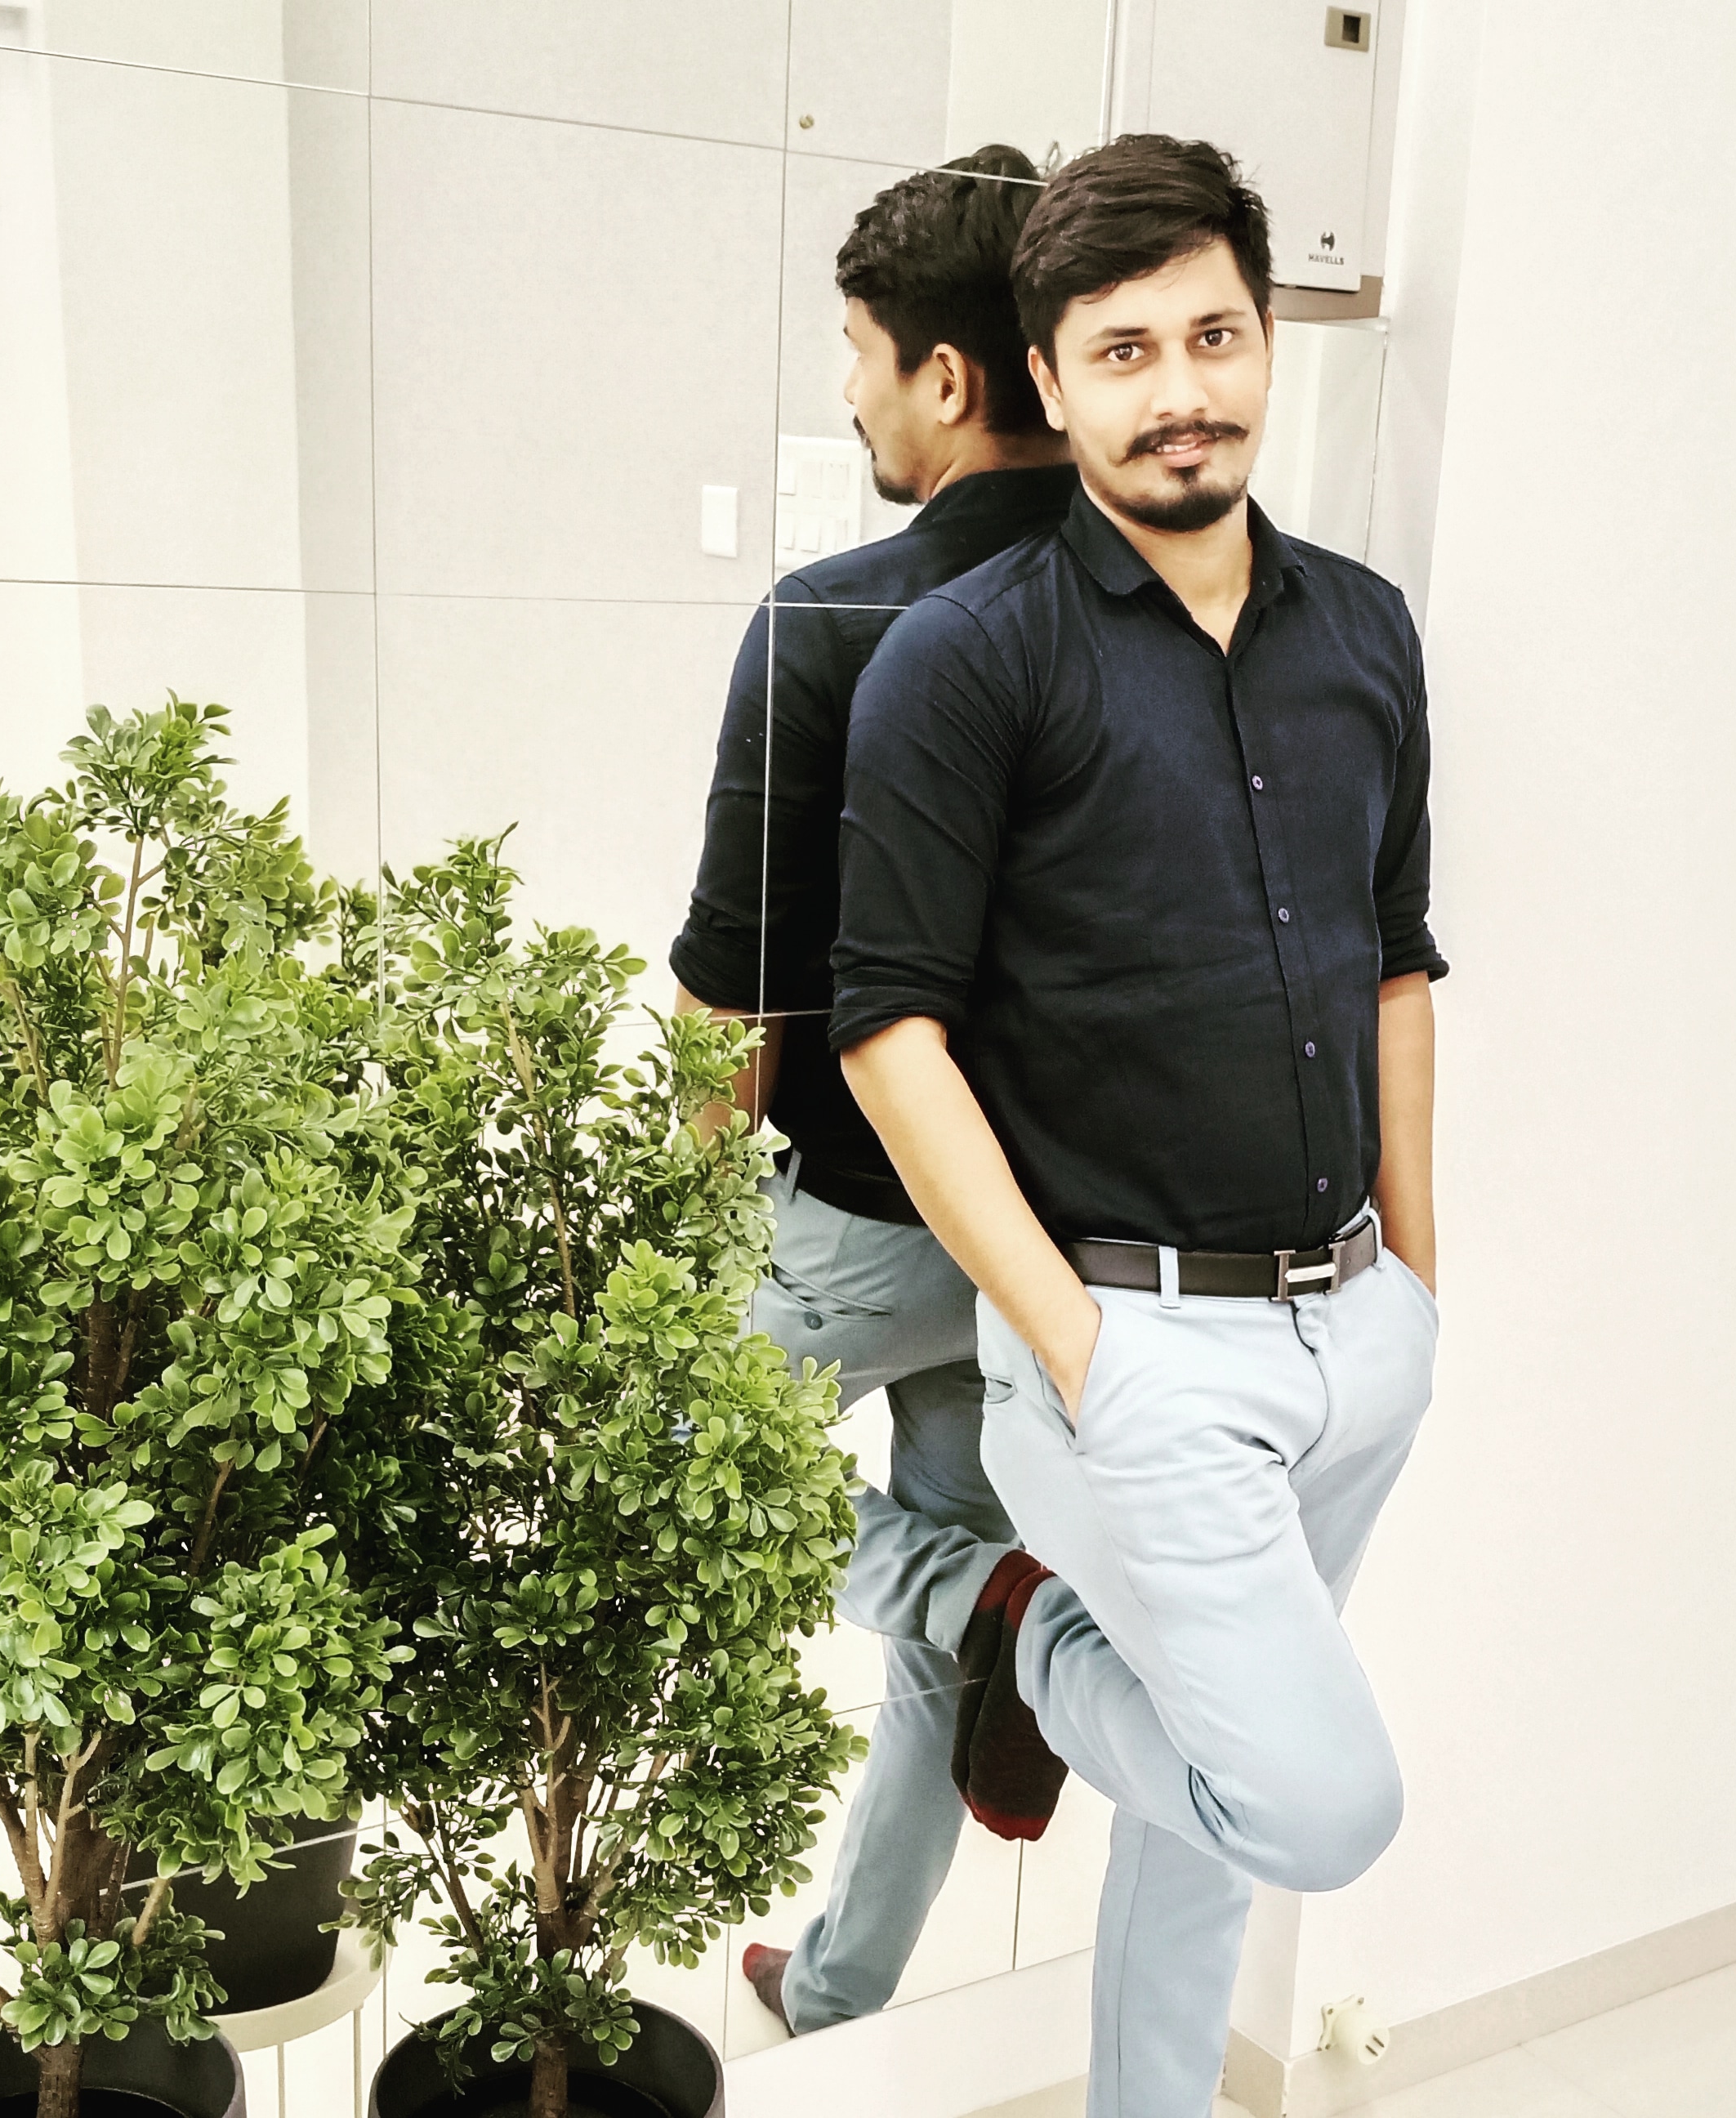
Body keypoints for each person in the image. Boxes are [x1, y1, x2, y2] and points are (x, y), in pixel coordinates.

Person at [831, 135, 1446, 2118]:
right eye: (1124, 352)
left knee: (1211, 1831)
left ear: (1266, 340)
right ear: (1050, 375)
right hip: (1136, 1351)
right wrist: (1079, 1353)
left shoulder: (1366, 633)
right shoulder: (966, 662)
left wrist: (1419, 1285)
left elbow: (1395, 965)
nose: (1182, 390)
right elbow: (889, 1036)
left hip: (1354, 1329)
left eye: (1215, 335)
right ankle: (998, 1622)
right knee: (1317, 1801)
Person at [669, 144, 1078, 2038]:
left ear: (948, 376)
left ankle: (975, 1594)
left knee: (638, 1456)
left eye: (858, 351)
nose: (848, 391)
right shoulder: (1150, 608)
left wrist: (676, 1233)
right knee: (946, 1628)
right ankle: (837, 1991)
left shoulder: (832, 621)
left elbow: (733, 996)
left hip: (854, 1220)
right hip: (1039, 1245)